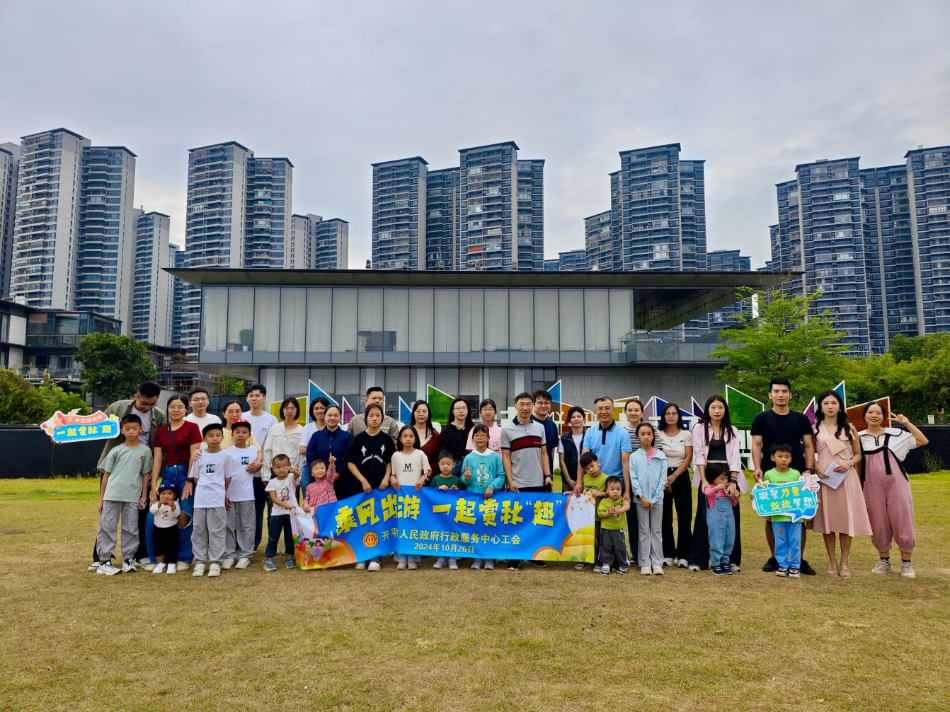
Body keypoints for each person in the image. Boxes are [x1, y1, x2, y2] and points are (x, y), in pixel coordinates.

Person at [89, 381, 166, 569]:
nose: (147, 407)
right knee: (108, 516)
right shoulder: (118, 408)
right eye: (144, 403)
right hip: (114, 468)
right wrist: (64, 436)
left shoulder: (159, 416)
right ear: (136, 396)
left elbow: (161, 444)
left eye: (152, 404)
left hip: (141, 469)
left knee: (138, 515)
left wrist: (152, 474)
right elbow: (95, 428)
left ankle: (136, 556)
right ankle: (101, 557)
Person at [751, 378, 816, 575]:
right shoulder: (761, 418)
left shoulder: (801, 419)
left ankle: (798, 559)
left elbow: (809, 445)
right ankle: (776, 558)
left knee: (799, 516)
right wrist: (757, 467)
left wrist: (808, 469)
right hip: (770, 474)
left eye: (784, 391)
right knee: (771, 516)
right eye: (776, 391)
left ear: (790, 394)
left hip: (797, 473)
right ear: (770, 395)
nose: (780, 395)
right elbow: (756, 445)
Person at [859, 401, 929, 579]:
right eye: (870, 412)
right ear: (864, 416)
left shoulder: (896, 434)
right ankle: (884, 562)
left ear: (884, 416)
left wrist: (906, 423)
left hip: (897, 485)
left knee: (902, 520)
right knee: (878, 522)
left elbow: (923, 440)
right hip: (871, 486)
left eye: (878, 413)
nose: (874, 416)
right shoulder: (858, 438)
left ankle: (906, 563)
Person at [812, 390, 872, 578]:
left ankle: (844, 562)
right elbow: (809, 452)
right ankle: (831, 561)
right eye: (826, 403)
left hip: (846, 476)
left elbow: (858, 454)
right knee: (827, 521)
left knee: (846, 520)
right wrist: (815, 466)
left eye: (834, 403)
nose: (830, 406)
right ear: (821, 407)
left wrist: (848, 463)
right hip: (824, 477)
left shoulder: (850, 428)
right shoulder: (814, 428)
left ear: (840, 406)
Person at [688, 395, 745, 573]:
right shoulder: (699, 428)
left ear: (725, 410)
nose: (717, 411)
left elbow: (735, 456)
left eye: (720, 407)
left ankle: (731, 560)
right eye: (713, 407)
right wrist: (704, 480)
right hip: (708, 474)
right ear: (707, 409)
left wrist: (733, 481)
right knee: (704, 516)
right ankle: (699, 559)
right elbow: (699, 454)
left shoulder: (732, 430)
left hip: (727, 474)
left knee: (731, 518)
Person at [146, 395, 201, 571]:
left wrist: (190, 480)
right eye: (172, 407)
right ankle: (156, 559)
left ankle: (184, 558)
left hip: (186, 473)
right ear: (167, 409)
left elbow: (194, 456)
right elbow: (157, 458)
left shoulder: (192, 428)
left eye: (180, 407)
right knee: (154, 515)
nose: (176, 410)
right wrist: (154, 484)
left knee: (184, 515)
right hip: (168, 474)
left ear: (186, 409)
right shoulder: (162, 430)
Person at [94, 414, 153, 575]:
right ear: (122, 431)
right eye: (127, 429)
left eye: (134, 428)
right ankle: (104, 561)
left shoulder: (145, 451)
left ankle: (128, 559)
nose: (131, 432)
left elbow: (145, 475)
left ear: (141, 429)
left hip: (132, 495)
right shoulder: (116, 450)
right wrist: (101, 499)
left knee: (131, 528)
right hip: (112, 495)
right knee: (107, 527)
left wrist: (143, 495)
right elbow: (106, 475)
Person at [580, 396, 634, 564]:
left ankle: (617, 560)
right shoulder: (590, 432)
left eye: (607, 408)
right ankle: (594, 559)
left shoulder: (622, 433)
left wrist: (626, 490)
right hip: (594, 484)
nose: (603, 411)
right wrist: (579, 482)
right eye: (600, 408)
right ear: (595, 411)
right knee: (593, 523)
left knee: (613, 524)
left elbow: (625, 463)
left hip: (615, 486)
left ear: (613, 410)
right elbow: (584, 459)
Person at [502, 392, 552, 571]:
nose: (525, 408)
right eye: (521, 404)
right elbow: (506, 457)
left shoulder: (540, 428)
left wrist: (548, 475)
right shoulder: (507, 429)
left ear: (533, 406)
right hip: (518, 483)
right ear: (515, 406)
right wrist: (510, 480)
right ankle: (515, 557)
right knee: (517, 521)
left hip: (538, 481)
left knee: (535, 521)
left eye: (528, 404)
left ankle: (533, 555)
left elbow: (544, 453)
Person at [344, 404, 396, 571]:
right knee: (362, 522)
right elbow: (350, 463)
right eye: (371, 415)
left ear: (382, 418)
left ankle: (376, 557)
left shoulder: (386, 439)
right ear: (366, 418)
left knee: (378, 522)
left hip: (381, 489)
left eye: (377, 415)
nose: (374, 418)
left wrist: (386, 477)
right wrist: (362, 480)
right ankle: (362, 556)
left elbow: (390, 462)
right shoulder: (358, 439)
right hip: (361, 489)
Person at [186, 423, 238, 578]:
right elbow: (196, 477)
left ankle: (216, 562)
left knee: (217, 531)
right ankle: (200, 562)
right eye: (211, 436)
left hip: (217, 499)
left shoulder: (226, 456)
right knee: (199, 530)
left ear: (222, 437)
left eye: (218, 435)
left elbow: (228, 478)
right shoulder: (199, 455)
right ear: (204, 438)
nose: (215, 439)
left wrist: (221, 492)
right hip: (201, 499)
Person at [462, 425, 506, 571]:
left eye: (483, 435)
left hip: (490, 500)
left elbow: (501, 476)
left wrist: (492, 486)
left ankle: (488, 558)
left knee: (489, 528)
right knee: (475, 529)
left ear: (488, 438)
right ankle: (477, 558)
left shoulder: (494, 457)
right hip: (473, 499)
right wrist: (467, 478)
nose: (480, 438)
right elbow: (463, 479)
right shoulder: (469, 457)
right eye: (477, 435)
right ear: (472, 438)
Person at [656, 402, 693, 568]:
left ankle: (684, 555)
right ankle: (668, 553)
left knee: (684, 516)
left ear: (679, 416)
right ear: (663, 416)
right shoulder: (657, 434)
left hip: (681, 476)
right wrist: (665, 478)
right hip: (661, 477)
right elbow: (655, 455)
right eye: (668, 413)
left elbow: (688, 457)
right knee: (665, 517)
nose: (671, 416)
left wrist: (674, 476)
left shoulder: (686, 434)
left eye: (674, 413)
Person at [391, 425, 431, 570]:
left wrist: (422, 478)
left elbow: (428, 470)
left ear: (415, 439)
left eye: (411, 436)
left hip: (416, 496)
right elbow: (393, 473)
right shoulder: (395, 455)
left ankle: (413, 557)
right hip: (400, 496)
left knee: (414, 526)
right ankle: (401, 557)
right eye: (405, 436)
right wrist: (392, 478)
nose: (408, 439)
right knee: (401, 526)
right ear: (400, 439)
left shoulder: (420, 454)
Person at [630, 422, 667, 576]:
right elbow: (633, 478)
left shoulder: (661, 456)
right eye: (642, 434)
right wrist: (641, 497)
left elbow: (663, 479)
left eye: (649, 434)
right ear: (638, 436)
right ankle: (645, 562)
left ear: (653, 436)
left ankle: (657, 562)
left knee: (656, 530)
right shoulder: (634, 457)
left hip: (657, 500)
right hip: (641, 500)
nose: (646, 437)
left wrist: (655, 498)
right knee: (644, 530)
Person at [243, 384, 276, 550]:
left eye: (257, 395)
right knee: (245, 511)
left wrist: (262, 463)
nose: (254, 398)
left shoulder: (271, 419)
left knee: (260, 510)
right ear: (247, 398)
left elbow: (271, 446)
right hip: (243, 472)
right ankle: (246, 543)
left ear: (264, 398)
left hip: (263, 472)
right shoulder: (241, 417)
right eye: (251, 395)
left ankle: (258, 543)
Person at [222, 420, 258, 571]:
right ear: (232, 434)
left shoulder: (253, 450)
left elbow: (261, 457)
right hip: (229, 495)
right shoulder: (226, 452)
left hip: (247, 494)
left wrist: (260, 463)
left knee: (247, 526)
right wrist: (223, 493)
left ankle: (245, 555)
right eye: (237, 432)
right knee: (228, 525)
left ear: (249, 435)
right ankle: (229, 555)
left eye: (244, 432)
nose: (241, 435)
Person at [764, 443, 803, 578]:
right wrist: (757, 497)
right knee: (780, 540)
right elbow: (765, 493)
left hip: (795, 516)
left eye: (787, 457)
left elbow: (803, 492)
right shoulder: (769, 474)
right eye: (780, 456)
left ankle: (795, 566)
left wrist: (812, 500)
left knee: (795, 541)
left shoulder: (796, 474)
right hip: (778, 516)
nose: (784, 459)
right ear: (772, 458)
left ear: (791, 459)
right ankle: (782, 565)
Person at [305, 404, 353, 499]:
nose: (332, 418)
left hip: (342, 481)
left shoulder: (347, 436)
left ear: (340, 417)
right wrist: (318, 473)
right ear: (325, 416)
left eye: (336, 415)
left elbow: (349, 457)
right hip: (319, 482)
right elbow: (310, 456)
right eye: (329, 415)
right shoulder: (316, 436)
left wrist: (338, 473)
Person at [264, 454, 300, 572]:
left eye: (284, 466)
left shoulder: (291, 477)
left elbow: (298, 475)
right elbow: (273, 498)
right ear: (272, 468)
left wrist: (293, 471)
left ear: (289, 466)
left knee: (290, 536)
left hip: (291, 514)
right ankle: (269, 558)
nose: (281, 469)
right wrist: (284, 505)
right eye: (277, 467)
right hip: (276, 513)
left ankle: (290, 557)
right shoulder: (272, 482)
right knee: (273, 536)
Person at [703, 464, 737, 577]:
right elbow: (708, 493)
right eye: (721, 478)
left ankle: (725, 562)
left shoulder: (727, 490)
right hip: (716, 521)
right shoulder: (709, 488)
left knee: (729, 539)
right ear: (712, 478)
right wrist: (717, 488)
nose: (725, 481)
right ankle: (715, 563)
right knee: (717, 540)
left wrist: (735, 497)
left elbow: (733, 504)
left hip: (729, 519)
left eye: (726, 478)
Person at [577, 451, 608, 571]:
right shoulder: (585, 478)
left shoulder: (606, 478)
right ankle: (585, 560)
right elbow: (582, 493)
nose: (590, 470)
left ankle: (598, 562)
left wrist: (600, 493)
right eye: (587, 469)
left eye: (592, 466)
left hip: (598, 516)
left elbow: (611, 494)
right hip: (586, 517)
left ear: (598, 463)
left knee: (598, 540)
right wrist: (570, 494)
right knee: (586, 538)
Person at [262, 397, 304, 485]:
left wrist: (299, 477)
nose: (289, 411)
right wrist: (266, 476)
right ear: (282, 410)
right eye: (286, 408)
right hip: (275, 473)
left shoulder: (302, 431)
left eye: (292, 408)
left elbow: (301, 456)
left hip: (293, 474)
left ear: (297, 410)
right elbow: (267, 451)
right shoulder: (274, 429)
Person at [596, 476, 630, 576]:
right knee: (605, 547)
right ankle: (606, 564)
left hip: (618, 529)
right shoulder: (603, 502)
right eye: (612, 489)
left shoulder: (621, 500)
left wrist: (619, 510)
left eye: (618, 489)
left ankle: (623, 564)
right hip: (606, 529)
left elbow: (627, 506)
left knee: (620, 547)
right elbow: (600, 514)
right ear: (607, 490)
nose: (615, 492)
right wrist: (608, 513)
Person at [149, 483, 182, 575]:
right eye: (163, 494)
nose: (166, 496)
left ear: (174, 495)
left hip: (172, 529)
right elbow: (152, 511)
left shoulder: (175, 503)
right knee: (158, 546)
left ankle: (171, 563)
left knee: (172, 546)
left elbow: (176, 514)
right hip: (158, 529)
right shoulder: (156, 503)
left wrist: (172, 506)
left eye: (169, 493)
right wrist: (159, 503)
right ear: (159, 495)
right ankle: (161, 564)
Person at [531, 390, 560, 490]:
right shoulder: (527, 423)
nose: (543, 406)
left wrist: (549, 473)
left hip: (547, 475)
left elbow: (552, 451)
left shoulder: (552, 425)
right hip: (529, 475)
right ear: (533, 404)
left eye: (546, 403)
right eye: (540, 403)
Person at [440, 397, 474, 477]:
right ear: (453, 411)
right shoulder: (446, 430)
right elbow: (442, 451)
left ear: (467, 410)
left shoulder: (473, 428)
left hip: (471, 467)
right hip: (452, 468)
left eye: (464, 408)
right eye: (458, 408)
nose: (461, 411)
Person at [558, 406, 587, 494]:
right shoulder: (563, 439)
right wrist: (568, 479)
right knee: (568, 502)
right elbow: (562, 461)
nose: (576, 419)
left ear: (583, 418)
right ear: (569, 420)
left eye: (579, 416)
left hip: (588, 479)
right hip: (569, 481)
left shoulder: (589, 437)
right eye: (573, 417)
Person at [299, 397, 331, 471]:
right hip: (309, 466)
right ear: (312, 411)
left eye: (322, 408)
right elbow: (302, 449)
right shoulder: (308, 427)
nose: (319, 411)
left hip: (329, 466)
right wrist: (321, 451)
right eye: (316, 408)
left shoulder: (335, 426)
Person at [411, 400, 442, 474]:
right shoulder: (406, 433)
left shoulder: (435, 436)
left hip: (429, 476)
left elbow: (437, 461)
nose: (421, 414)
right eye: (418, 411)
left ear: (429, 414)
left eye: (424, 411)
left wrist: (427, 474)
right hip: (408, 474)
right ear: (413, 413)